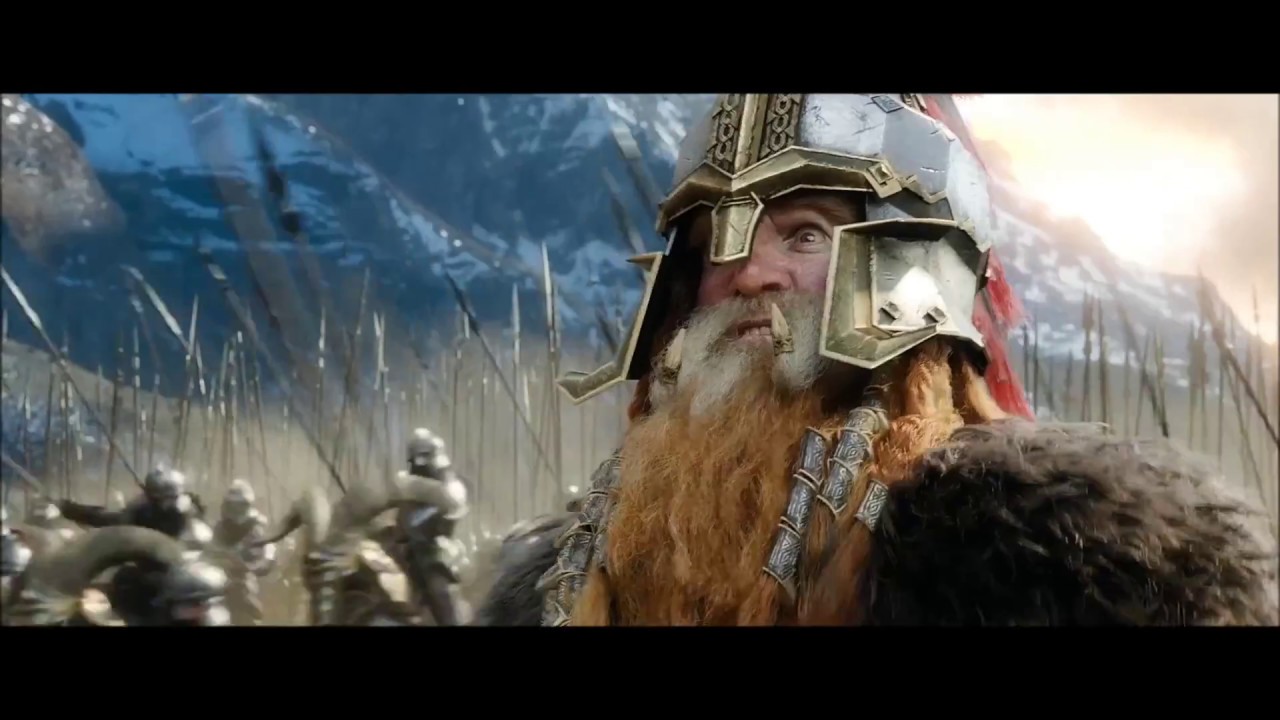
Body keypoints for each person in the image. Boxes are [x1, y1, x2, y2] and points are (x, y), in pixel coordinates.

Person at [478, 93, 1278, 626]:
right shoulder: (568, 578)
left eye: (804, 235)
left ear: (912, 263)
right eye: (717, 245)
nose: (749, 275)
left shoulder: (1060, 559)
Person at [211, 479, 276, 625]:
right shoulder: (220, 527)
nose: (235, 510)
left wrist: (253, 567)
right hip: (220, 577)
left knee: (246, 598)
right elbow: (210, 548)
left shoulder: (257, 527)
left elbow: (269, 554)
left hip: (249, 579)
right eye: (232, 505)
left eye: (239, 505)